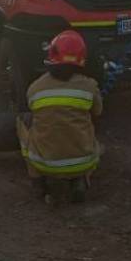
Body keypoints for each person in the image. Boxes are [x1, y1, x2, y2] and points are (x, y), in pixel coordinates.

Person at [15, 30, 101, 206]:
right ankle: (81, 179)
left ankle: (38, 181)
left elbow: (34, 113)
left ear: (51, 55)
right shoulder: (90, 86)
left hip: (45, 164)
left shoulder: (35, 88)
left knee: (21, 122)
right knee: (89, 126)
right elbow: (98, 113)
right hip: (84, 162)